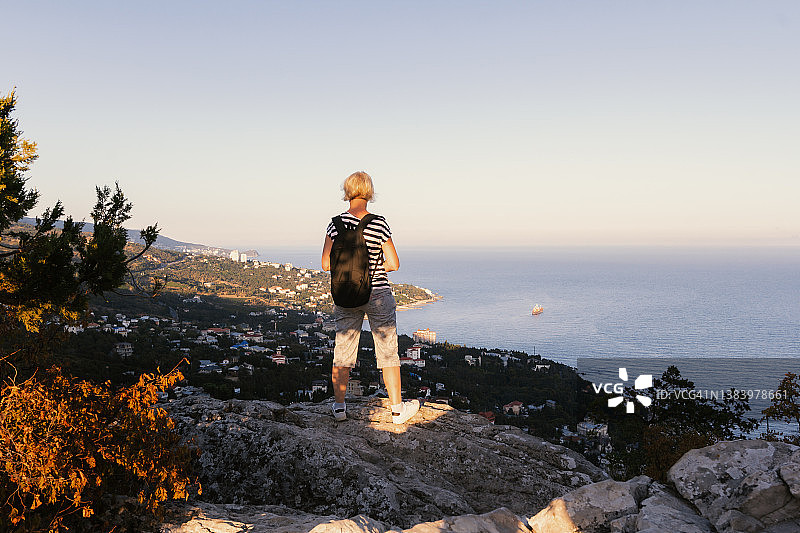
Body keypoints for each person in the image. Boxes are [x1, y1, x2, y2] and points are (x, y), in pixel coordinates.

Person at [321, 171, 420, 424]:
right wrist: (371, 268)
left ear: (347, 192)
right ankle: (397, 410)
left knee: (343, 350)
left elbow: (325, 264)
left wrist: (352, 271)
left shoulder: (335, 224)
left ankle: (340, 408)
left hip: (346, 293)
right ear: (369, 192)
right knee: (388, 352)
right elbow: (394, 263)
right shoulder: (379, 223)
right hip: (377, 293)